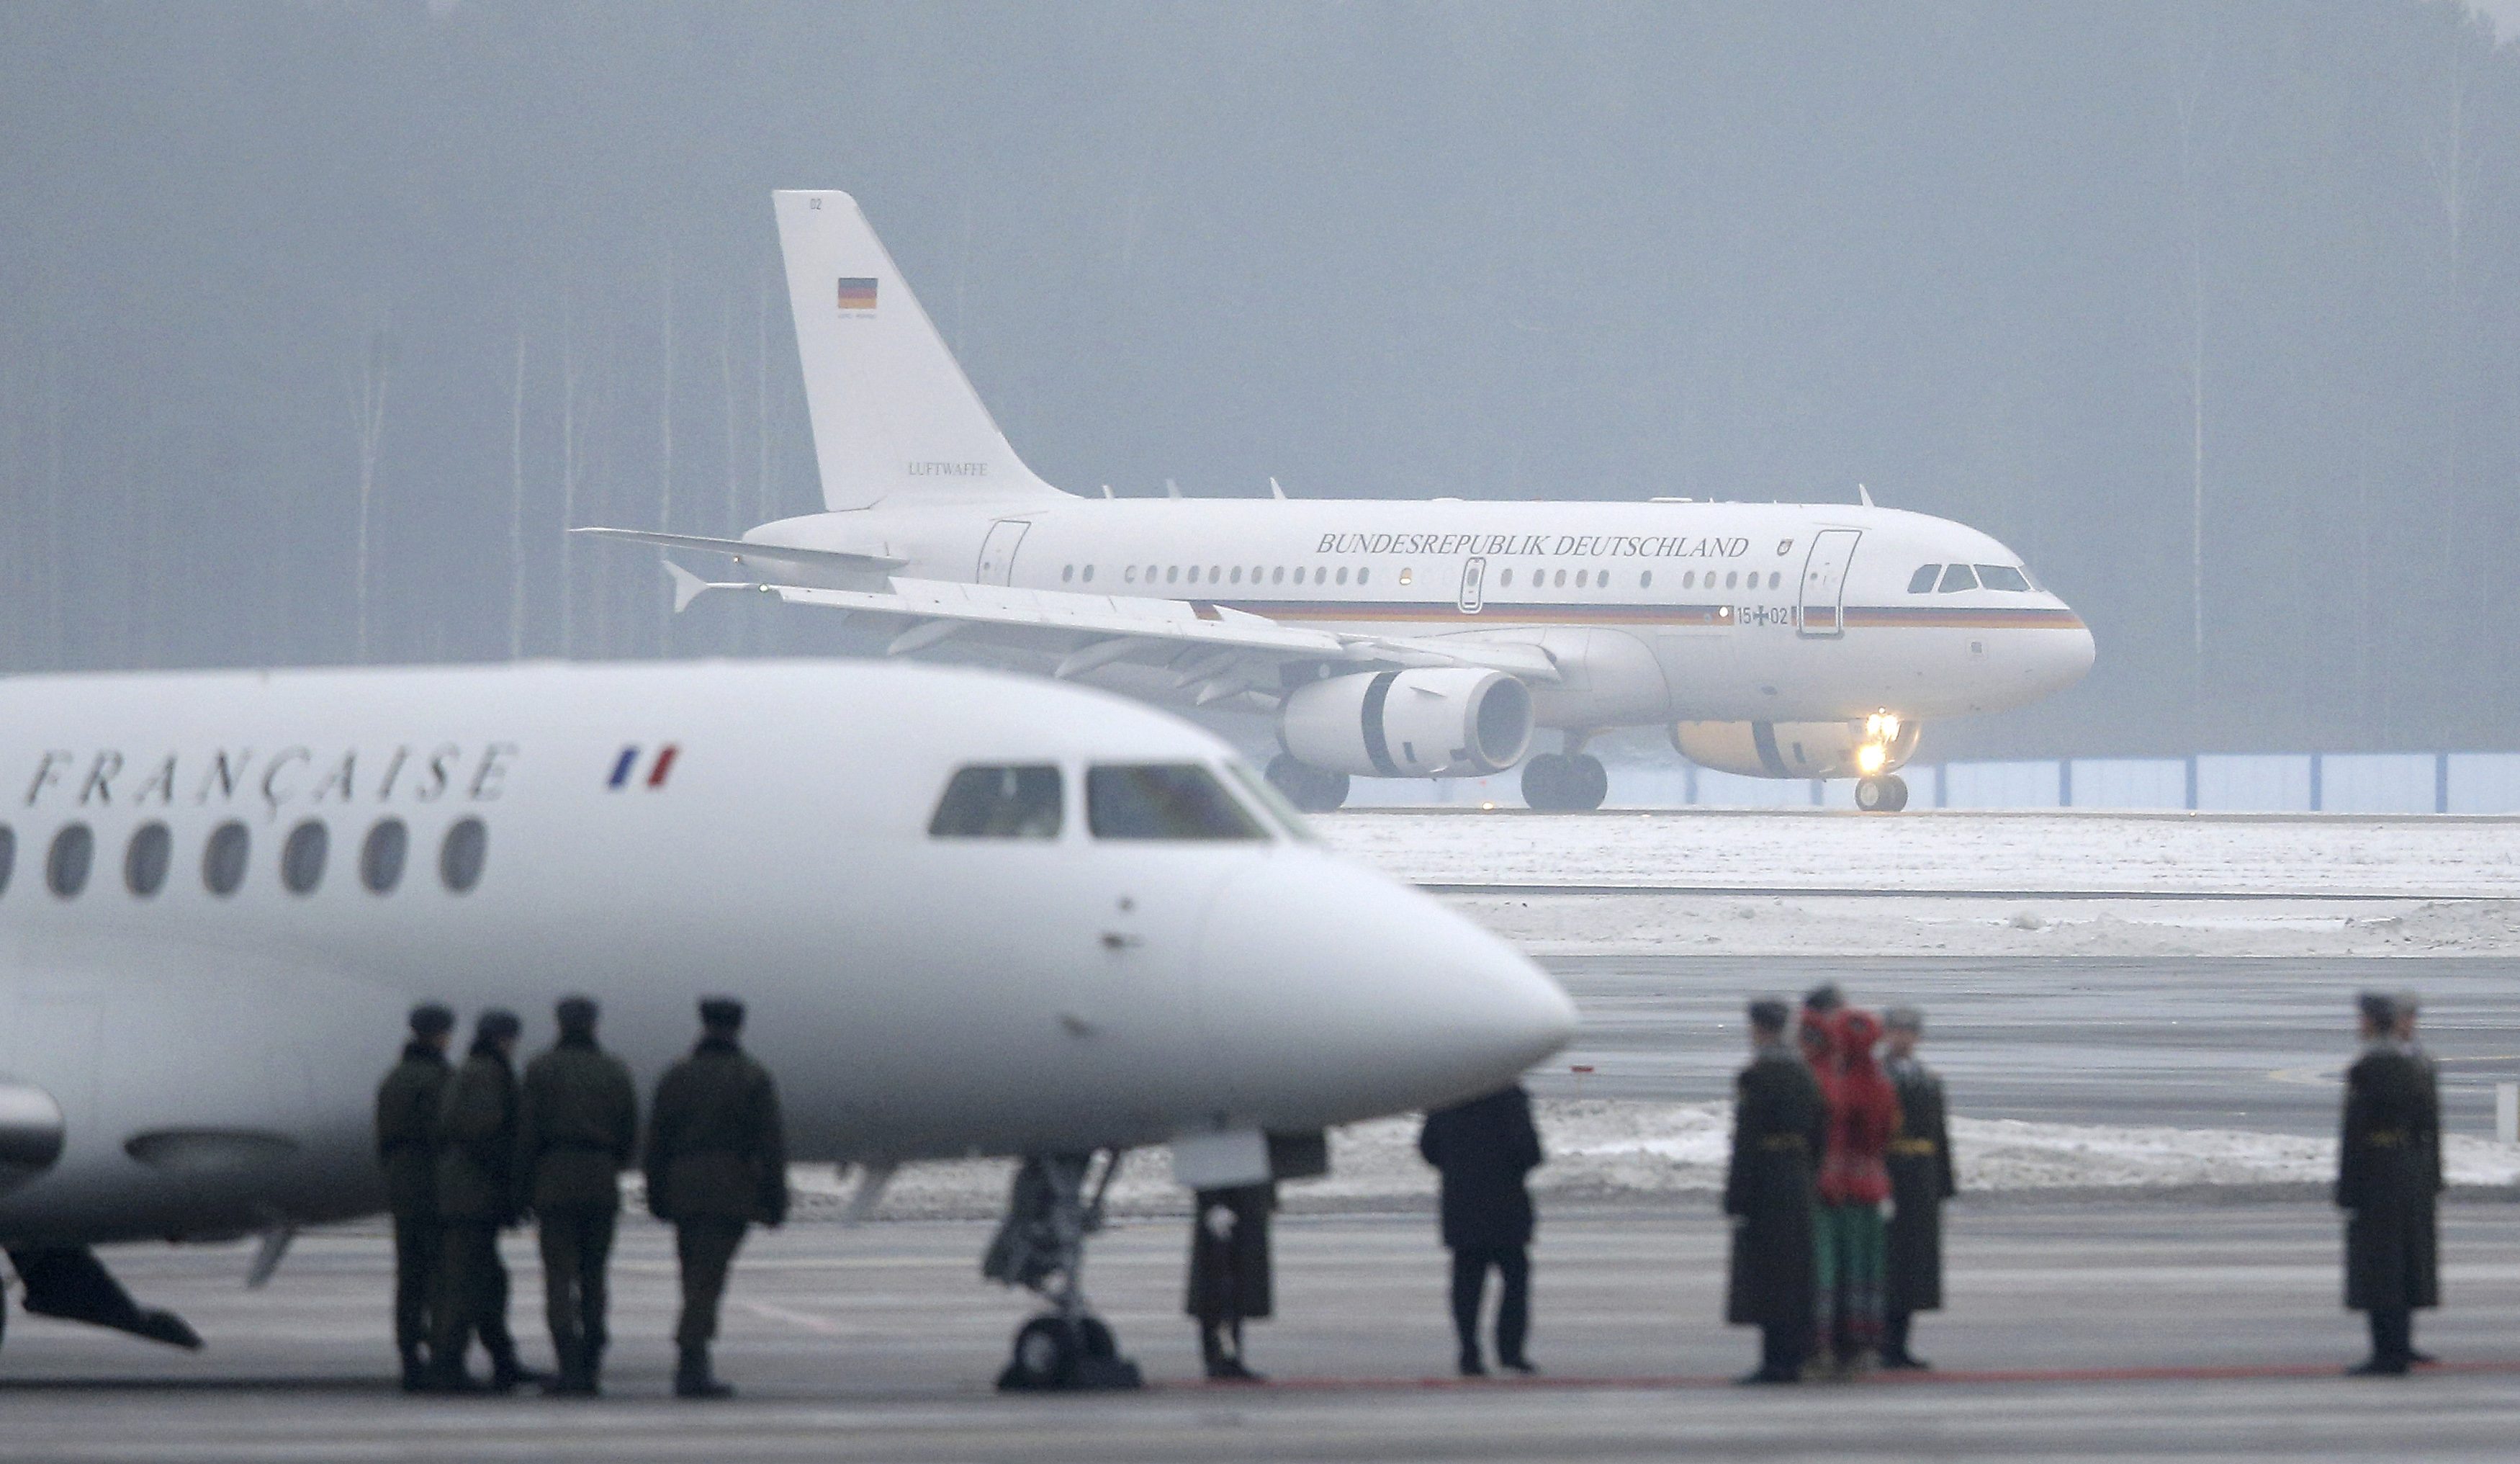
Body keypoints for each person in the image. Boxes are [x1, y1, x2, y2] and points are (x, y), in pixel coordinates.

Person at [646, 997, 788, 1398]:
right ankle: (691, 1361)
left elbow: (657, 1141)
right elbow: (770, 1145)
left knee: (694, 1275)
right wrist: (775, 1201)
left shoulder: (677, 1076)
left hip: (684, 1188)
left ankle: (693, 1357)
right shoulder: (751, 1077)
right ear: (738, 1027)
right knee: (707, 1281)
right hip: (731, 1189)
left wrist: (656, 1192)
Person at [515, 995, 639, 1396]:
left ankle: (568, 1364)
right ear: (594, 1024)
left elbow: (527, 1132)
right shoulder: (614, 1070)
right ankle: (591, 1361)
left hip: (553, 1178)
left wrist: (526, 1182)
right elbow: (629, 1131)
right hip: (600, 1178)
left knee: (558, 1278)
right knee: (594, 1276)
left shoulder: (540, 1069)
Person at [427, 1008, 544, 1393]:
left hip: (469, 1194)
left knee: (488, 1281)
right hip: (472, 1197)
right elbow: (483, 1134)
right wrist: (512, 1182)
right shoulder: (485, 1074)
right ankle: (448, 1365)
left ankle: (500, 1360)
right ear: (503, 1038)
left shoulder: (477, 1071)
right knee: (465, 1283)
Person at [1724, 997, 1826, 1384]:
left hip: (1767, 1181)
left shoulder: (1759, 1074)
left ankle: (1774, 1361)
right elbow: (1820, 1130)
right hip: (1798, 1178)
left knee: (1768, 1276)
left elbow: (1747, 1140)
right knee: (1795, 1274)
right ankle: (1793, 1355)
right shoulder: (1802, 1072)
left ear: (1760, 1028)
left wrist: (1737, 1193)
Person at [2337, 992, 2434, 1375]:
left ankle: (2388, 1352)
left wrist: (2349, 1186)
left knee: (2383, 1267)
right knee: (2399, 1263)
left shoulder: (2379, 1066)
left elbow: (2359, 1134)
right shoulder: (2410, 1063)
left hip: (2379, 1180)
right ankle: (2397, 1344)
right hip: (2402, 1177)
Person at [1417, 1083, 1544, 1377]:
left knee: (1467, 1285)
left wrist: (1458, 1168)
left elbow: (1428, 1148)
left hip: (1462, 1204)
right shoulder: (1510, 1098)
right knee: (1515, 1282)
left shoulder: (1448, 1094)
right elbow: (1530, 1151)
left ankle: (1469, 1353)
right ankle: (1510, 1352)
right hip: (1506, 1206)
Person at [1812, 1008, 1898, 1378]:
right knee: (1866, 1268)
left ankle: (1827, 1346)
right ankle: (1863, 1345)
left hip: (1836, 1190)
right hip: (1870, 1186)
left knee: (1830, 1269)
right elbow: (1884, 1133)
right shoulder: (1880, 1084)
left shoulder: (1834, 1082)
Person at [374, 1002, 455, 1391]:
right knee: (440, 1276)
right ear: (441, 1034)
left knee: (409, 1278)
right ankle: (441, 1358)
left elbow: (384, 1137)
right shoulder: (439, 1079)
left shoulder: (395, 1078)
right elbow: (449, 1131)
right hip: (434, 1183)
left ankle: (409, 1358)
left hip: (403, 1184)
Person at [1881, 1006, 1956, 1370]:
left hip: (1921, 1182)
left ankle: (1901, 1344)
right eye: (1896, 1031)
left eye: (1909, 1032)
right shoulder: (1876, 1077)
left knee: (1914, 1267)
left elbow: (1939, 1136)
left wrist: (1943, 1185)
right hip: (1888, 1176)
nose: (1903, 1038)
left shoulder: (1927, 1080)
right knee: (1888, 1264)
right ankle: (1882, 1344)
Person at [2393, 991, 2443, 1365]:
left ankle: (2403, 1341)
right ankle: (2390, 1344)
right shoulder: (2384, 1063)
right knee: (2388, 1265)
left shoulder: (2420, 1061)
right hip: (2390, 1175)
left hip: (2415, 1174)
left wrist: (2434, 1173)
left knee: (2412, 1263)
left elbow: (2432, 1125)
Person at [1184, 1182, 1275, 1380]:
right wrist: (1211, 1202)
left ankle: (1227, 1357)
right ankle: (1219, 1357)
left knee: (1235, 1281)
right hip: (1223, 1200)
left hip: (1236, 1201)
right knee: (1220, 1280)